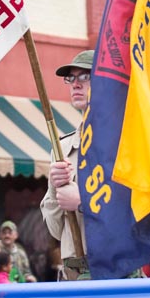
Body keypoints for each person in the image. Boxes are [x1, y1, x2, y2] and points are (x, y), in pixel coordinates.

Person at [40, 50, 92, 281]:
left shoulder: (124, 140)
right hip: (73, 270)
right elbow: (55, 230)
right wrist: (54, 186)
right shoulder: (63, 148)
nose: (75, 85)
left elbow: (136, 209)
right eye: (71, 79)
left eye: (84, 77)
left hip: (113, 267)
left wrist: (83, 202)